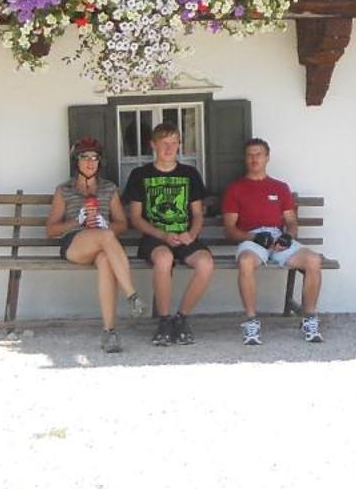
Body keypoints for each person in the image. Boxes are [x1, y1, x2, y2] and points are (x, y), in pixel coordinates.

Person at [221, 137, 324, 346]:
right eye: (250, 155)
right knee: (245, 262)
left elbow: (291, 222)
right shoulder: (235, 188)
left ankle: (310, 319)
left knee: (314, 260)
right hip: (252, 239)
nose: (254, 159)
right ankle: (251, 321)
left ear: (267, 157)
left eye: (258, 154)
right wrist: (255, 237)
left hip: (278, 238)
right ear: (245, 159)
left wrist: (288, 236)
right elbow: (230, 229)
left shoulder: (280, 187)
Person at [47, 136, 145, 353]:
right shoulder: (64, 190)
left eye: (95, 158)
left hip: (102, 244)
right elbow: (51, 230)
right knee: (107, 237)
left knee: (104, 259)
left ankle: (109, 332)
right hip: (75, 243)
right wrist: (77, 220)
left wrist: (106, 223)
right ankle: (132, 294)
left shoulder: (108, 188)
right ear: (77, 161)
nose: (91, 162)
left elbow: (122, 224)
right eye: (85, 157)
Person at [123, 122, 215, 346]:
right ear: (153, 145)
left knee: (206, 264)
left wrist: (191, 234)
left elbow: (197, 213)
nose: (169, 148)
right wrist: (162, 235)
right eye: (164, 143)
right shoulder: (140, 174)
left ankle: (181, 318)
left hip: (184, 235)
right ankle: (164, 320)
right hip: (154, 237)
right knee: (164, 259)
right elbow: (135, 218)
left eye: (174, 143)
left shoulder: (189, 173)